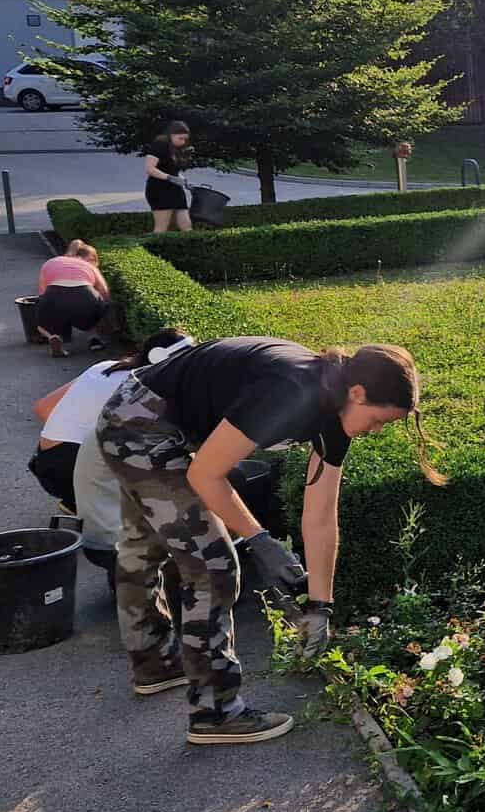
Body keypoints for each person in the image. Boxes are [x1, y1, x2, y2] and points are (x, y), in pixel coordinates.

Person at [95, 337, 445, 745]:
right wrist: (260, 540)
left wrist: (320, 606)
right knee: (213, 566)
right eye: (380, 419)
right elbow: (205, 474)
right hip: (138, 428)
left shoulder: (336, 409)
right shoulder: (291, 391)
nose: (377, 430)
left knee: (147, 543)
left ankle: (154, 662)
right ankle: (215, 712)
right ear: (358, 392)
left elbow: (320, 517)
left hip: (148, 419)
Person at [30, 328, 194, 515]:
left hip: (44, 464)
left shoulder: (105, 367)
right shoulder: (149, 389)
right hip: (78, 473)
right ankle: (98, 501)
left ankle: (81, 501)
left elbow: (43, 407)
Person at [33, 240, 113, 357]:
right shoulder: (89, 266)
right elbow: (105, 292)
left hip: (53, 296)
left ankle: (53, 336)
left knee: (43, 323)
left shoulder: (50, 262)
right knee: (96, 309)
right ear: (91, 259)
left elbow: (41, 293)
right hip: (85, 295)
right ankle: (94, 338)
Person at [144, 120, 194, 233]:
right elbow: (149, 168)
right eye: (180, 138)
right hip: (159, 190)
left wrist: (183, 181)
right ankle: (153, 248)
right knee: (161, 228)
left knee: (186, 226)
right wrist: (170, 178)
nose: (183, 142)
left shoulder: (176, 149)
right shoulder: (159, 145)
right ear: (171, 135)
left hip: (176, 190)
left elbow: (174, 170)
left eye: (185, 139)